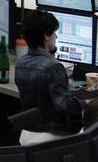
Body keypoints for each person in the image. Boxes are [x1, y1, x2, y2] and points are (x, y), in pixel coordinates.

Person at [14, 10, 88, 145]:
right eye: (54, 33)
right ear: (46, 36)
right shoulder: (53, 67)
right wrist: (86, 102)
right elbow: (63, 105)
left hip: (27, 131)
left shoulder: (21, 62)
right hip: (51, 134)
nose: (56, 37)